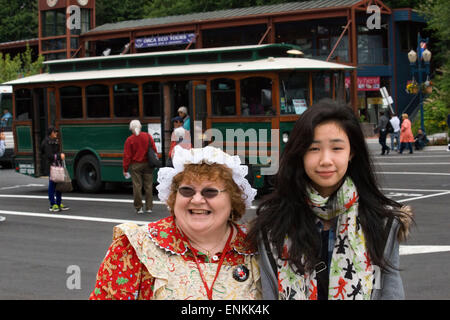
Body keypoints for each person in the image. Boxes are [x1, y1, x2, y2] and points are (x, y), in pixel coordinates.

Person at [247, 99, 413, 300]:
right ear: (300, 153)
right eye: (314, 149)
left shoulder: (382, 221)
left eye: (336, 148)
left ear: (351, 152)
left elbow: (391, 292)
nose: (326, 160)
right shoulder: (273, 225)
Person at [90, 145, 260, 300]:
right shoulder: (136, 247)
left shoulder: (259, 248)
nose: (197, 199)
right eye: (187, 190)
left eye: (210, 192)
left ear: (233, 199)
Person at [123, 120, 157, 214]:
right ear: (140, 127)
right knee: (148, 186)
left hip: (136, 165)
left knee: (137, 186)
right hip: (148, 164)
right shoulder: (147, 136)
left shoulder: (130, 140)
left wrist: (125, 169)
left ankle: (139, 208)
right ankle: (149, 207)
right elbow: (154, 149)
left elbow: (127, 156)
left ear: (131, 129)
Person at [40, 126, 70, 212]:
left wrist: (60, 155)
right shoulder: (46, 142)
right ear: (51, 133)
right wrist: (59, 156)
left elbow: (57, 152)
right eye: (55, 132)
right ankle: (52, 204)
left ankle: (59, 202)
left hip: (57, 165)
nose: (56, 133)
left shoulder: (55, 141)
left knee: (59, 185)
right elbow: (49, 156)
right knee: (52, 185)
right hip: (51, 166)